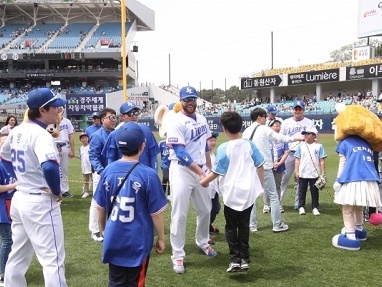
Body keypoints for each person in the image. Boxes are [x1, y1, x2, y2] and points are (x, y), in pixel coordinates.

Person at [1, 87, 68, 287]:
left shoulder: (17, 130)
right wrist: (56, 191)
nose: (58, 111)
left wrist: (23, 176)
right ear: (42, 110)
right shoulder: (41, 135)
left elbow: (4, 157)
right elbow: (49, 166)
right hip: (39, 201)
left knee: (18, 255)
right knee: (53, 260)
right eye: (55, 107)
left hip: (20, 199)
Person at [93, 122, 167, 287]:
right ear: (142, 145)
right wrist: (161, 238)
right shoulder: (148, 174)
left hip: (114, 237)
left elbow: (100, 206)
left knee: (116, 282)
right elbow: (156, 213)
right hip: (137, 241)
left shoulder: (108, 170)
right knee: (136, 283)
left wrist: (103, 228)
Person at [200, 111, 265, 273]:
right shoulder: (250, 144)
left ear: (224, 129)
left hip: (231, 193)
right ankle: (245, 257)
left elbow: (216, 172)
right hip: (248, 193)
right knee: (244, 226)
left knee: (231, 227)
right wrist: (260, 186)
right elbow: (260, 165)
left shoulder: (224, 148)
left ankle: (235, 259)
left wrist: (203, 181)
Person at [166, 86, 216, 274]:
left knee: (206, 209)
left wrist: (209, 169)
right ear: (181, 101)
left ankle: (202, 241)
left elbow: (205, 146)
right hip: (181, 170)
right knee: (179, 214)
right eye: (187, 99)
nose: (191, 102)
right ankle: (178, 255)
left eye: (193, 99)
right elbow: (180, 153)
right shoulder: (176, 121)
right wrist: (202, 173)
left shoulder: (202, 119)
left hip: (201, 169)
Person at [243, 107, 302, 232]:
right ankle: (277, 224)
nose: (266, 118)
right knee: (273, 195)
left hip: (251, 167)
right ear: (259, 117)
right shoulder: (264, 128)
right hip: (264, 167)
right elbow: (280, 138)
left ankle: (252, 225)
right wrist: (296, 138)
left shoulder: (246, 131)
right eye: (264, 116)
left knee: (252, 198)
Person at [279, 100, 318, 209]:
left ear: (303, 110)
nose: (297, 111)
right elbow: (281, 138)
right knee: (283, 180)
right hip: (289, 154)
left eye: (299, 109)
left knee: (300, 181)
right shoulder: (286, 122)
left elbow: (315, 136)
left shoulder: (309, 122)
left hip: (304, 155)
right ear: (293, 110)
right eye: (295, 109)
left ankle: (298, 203)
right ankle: (278, 203)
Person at [103, 101, 160, 170]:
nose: (134, 116)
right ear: (122, 116)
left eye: (136, 113)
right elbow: (111, 159)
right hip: (123, 175)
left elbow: (153, 156)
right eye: (130, 113)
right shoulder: (114, 134)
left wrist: (154, 174)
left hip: (143, 175)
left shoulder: (146, 130)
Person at [89, 107, 117, 242]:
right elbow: (93, 157)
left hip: (115, 174)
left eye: (114, 117)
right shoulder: (97, 136)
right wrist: (101, 171)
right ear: (102, 120)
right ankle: (95, 230)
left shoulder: (117, 133)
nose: (113, 120)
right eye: (110, 117)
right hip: (101, 174)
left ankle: (109, 227)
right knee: (97, 202)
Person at [294, 128, 327, 216]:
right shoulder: (301, 146)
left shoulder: (319, 146)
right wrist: (296, 171)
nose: (306, 136)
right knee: (302, 190)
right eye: (305, 134)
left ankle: (315, 207)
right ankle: (301, 206)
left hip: (314, 173)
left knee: (314, 191)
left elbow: (322, 160)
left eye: (308, 134)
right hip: (303, 172)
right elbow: (297, 159)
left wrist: (323, 173)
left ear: (314, 135)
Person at [0, 134, 17, 286]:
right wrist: (14, 185)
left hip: (16, 206)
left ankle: (13, 270)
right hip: (3, 207)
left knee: (16, 240)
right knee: (7, 240)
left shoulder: (16, 162)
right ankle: (4, 273)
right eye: (4, 143)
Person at [268, 119, 289, 213]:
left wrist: (279, 163)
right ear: (270, 127)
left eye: (278, 126)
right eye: (275, 125)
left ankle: (278, 204)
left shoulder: (283, 138)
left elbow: (286, 152)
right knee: (267, 186)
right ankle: (266, 205)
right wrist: (271, 163)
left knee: (278, 185)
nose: (277, 127)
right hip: (268, 165)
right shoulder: (266, 139)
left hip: (280, 166)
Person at [56, 110, 75, 198]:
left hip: (64, 146)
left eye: (61, 108)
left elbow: (71, 136)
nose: (59, 110)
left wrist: (72, 150)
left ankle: (65, 190)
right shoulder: (51, 121)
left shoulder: (67, 121)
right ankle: (55, 189)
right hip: (54, 147)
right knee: (54, 169)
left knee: (64, 169)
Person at [207, 131, 221, 237]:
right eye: (211, 140)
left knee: (215, 208)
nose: (213, 142)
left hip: (214, 186)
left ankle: (208, 226)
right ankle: (206, 229)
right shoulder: (204, 154)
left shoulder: (212, 153)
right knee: (211, 209)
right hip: (207, 186)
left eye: (214, 140)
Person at [78, 132, 92, 198]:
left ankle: (96, 191)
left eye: (85, 138)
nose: (84, 139)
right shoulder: (80, 148)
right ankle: (86, 191)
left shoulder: (91, 146)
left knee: (94, 179)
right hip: (84, 166)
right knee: (86, 180)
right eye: (82, 138)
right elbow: (81, 157)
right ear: (80, 140)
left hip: (91, 166)